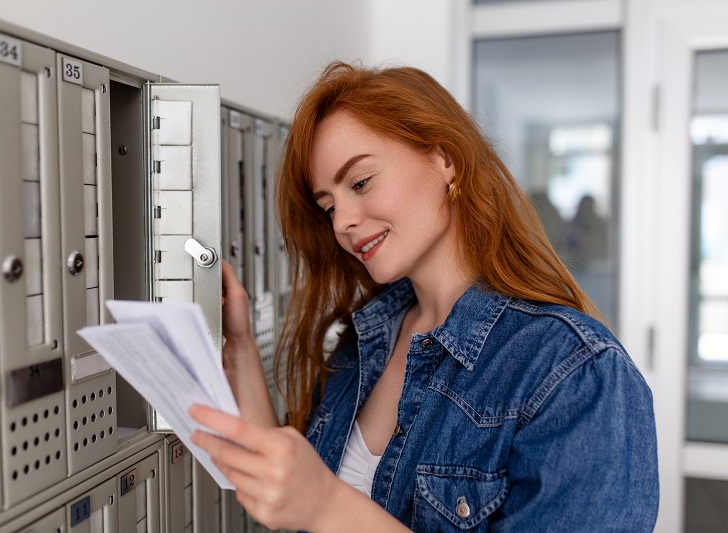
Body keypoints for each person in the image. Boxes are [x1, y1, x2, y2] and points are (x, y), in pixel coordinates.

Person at [188, 61, 659, 531]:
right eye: (328, 206)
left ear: (445, 159)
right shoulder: (364, 343)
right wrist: (240, 348)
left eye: (360, 183)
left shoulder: (574, 373)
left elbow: (320, 505)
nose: (341, 223)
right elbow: (290, 494)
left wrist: (328, 505)